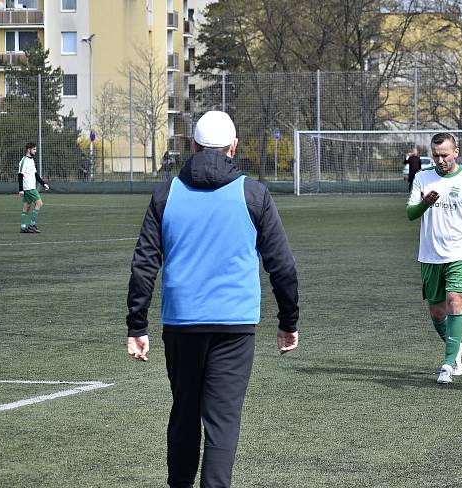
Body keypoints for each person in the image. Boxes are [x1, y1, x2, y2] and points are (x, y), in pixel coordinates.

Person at [125, 110, 300, 488]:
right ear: (233, 147)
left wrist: (136, 324)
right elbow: (281, 265)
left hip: (181, 324)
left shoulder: (166, 193)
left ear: (193, 147)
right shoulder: (253, 194)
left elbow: (144, 263)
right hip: (235, 326)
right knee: (222, 421)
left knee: (184, 414)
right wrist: (288, 321)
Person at [407, 132, 462, 384]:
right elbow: (411, 214)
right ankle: (457, 347)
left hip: (461, 252)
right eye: (435, 155)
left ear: (455, 153)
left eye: (444, 155)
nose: (440, 160)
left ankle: (448, 362)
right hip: (431, 254)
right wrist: (425, 205)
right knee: (437, 312)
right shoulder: (422, 177)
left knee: (455, 301)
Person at [18, 142, 50, 233]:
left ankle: (23, 227)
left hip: (30, 188)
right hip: (29, 188)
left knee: (27, 207)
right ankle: (32, 225)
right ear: (29, 150)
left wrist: (43, 184)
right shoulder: (24, 160)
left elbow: (35, 174)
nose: (35, 151)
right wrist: (20, 190)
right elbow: (20, 175)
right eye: (34, 149)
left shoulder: (31, 160)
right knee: (39, 203)